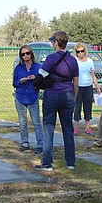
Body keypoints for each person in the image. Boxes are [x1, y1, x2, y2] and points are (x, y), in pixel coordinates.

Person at [35, 31, 79, 171]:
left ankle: (47, 163)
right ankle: (70, 162)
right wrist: (74, 97)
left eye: (52, 41)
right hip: (68, 95)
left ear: (55, 42)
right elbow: (76, 82)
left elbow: (41, 76)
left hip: (52, 94)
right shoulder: (73, 60)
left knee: (48, 128)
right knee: (68, 129)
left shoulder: (51, 58)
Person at [13, 44, 44, 154]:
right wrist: (21, 81)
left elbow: (43, 82)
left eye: (27, 53)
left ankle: (40, 144)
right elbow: (14, 83)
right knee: (22, 123)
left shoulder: (38, 67)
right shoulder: (18, 68)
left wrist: (36, 79)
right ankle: (24, 143)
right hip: (20, 97)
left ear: (31, 54)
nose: (26, 56)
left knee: (36, 122)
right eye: (23, 54)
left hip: (33, 97)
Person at [73, 43, 101, 135]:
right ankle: (76, 128)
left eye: (82, 51)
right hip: (77, 87)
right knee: (77, 108)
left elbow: (93, 76)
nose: (80, 53)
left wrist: (97, 87)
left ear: (85, 51)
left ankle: (87, 127)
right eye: (78, 52)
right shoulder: (74, 61)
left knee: (87, 107)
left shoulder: (90, 61)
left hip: (88, 87)